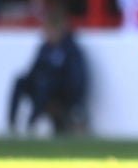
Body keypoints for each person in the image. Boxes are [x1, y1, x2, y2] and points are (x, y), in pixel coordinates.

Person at [7, 7, 89, 135]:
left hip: (61, 93)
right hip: (41, 89)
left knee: (45, 84)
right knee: (21, 81)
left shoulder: (71, 49)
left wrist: (76, 104)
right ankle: (11, 123)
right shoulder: (44, 48)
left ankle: (32, 123)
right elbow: (33, 71)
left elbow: (77, 79)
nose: (48, 33)